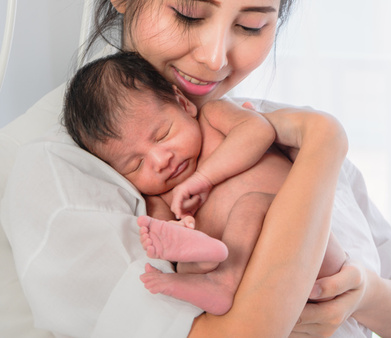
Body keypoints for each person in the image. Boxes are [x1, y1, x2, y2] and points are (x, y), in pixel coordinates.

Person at [1, 0, 391, 337]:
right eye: (188, 14)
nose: (215, 57)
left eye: (251, 25)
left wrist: (365, 293)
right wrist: (325, 144)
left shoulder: (280, 125)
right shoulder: (56, 168)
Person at [63, 51, 347, 315]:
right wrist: (177, 232)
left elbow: (259, 131)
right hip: (257, 286)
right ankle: (212, 271)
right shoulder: (159, 197)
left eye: (163, 134)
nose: (160, 160)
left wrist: (204, 178)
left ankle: (223, 281)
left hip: (311, 251)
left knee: (254, 204)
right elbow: (162, 237)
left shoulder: (214, 118)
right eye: (135, 165)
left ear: (184, 104)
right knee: (187, 260)